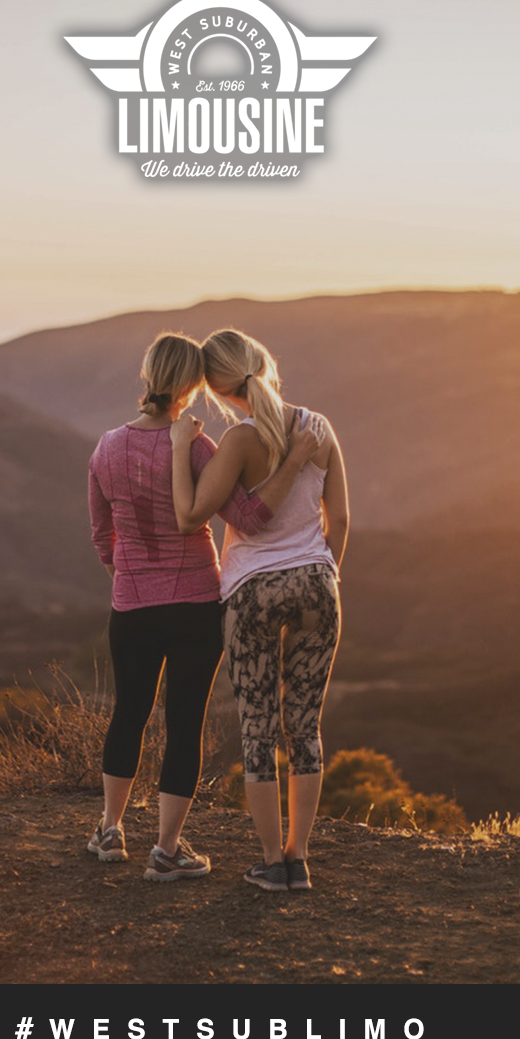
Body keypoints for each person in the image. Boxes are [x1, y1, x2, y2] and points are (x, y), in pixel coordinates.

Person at [86, 332, 320, 882]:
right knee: (184, 723)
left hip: (133, 605)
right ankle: (167, 850)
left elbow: (101, 533)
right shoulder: (197, 448)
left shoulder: (106, 448)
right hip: (195, 604)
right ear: (192, 387)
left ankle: (110, 830)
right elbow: (248, 517)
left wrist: (127, 573)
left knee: (129, 713)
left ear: (147, 378)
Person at [169, 328, 348, 892]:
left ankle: (272, 861)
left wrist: (179, 449)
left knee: (259, 728)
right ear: (265, 363)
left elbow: (204, 512)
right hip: (319, 584)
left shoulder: (240, 443)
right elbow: (339, 520)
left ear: (220, 392)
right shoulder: (318, 428)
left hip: (252, 593)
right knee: (305, 725)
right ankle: (300, 858)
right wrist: (324, 573)